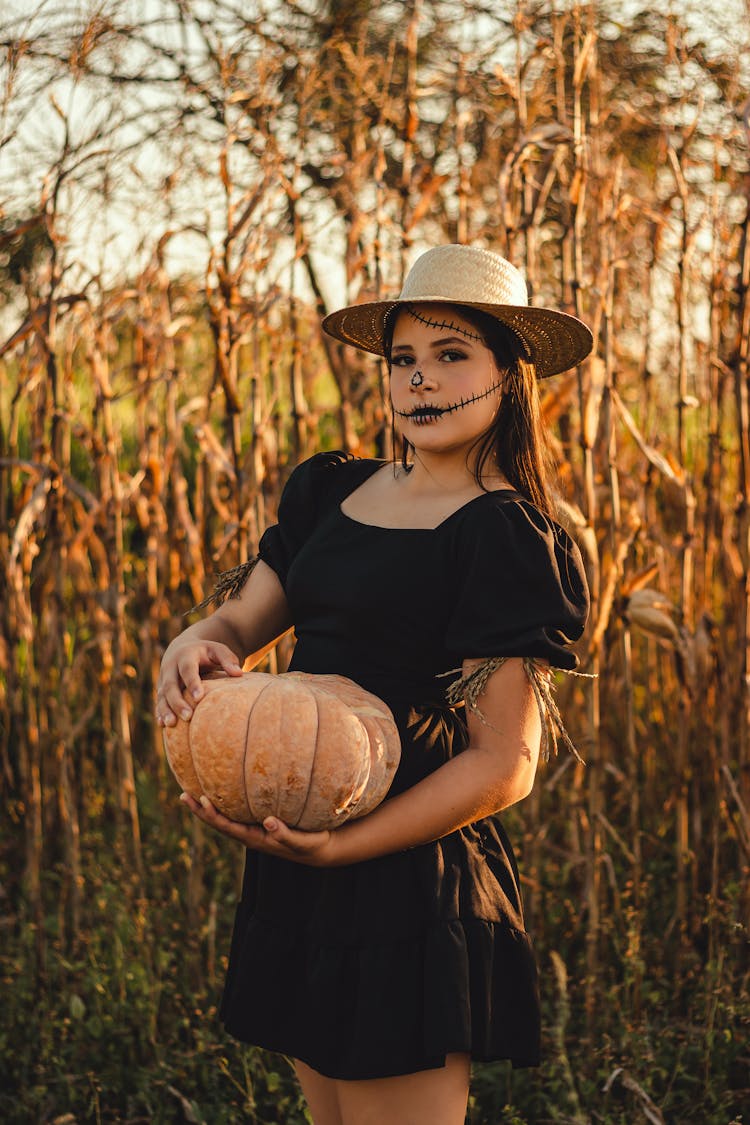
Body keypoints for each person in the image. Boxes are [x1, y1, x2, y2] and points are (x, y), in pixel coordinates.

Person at [156, 244, 592, 1125]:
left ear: (509, 375)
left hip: (404, 872)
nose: (421, 382)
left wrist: (346, 849)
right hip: (300, 848)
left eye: (451, 354)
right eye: (403, 360)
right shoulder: (333, 492)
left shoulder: (502, 537)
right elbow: (243, 621)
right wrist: (196, 638)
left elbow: (505, 762)